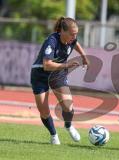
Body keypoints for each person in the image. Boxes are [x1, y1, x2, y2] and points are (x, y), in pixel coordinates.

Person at [30, 17, 89, 145]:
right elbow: (47, 65)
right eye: (72, 34)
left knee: (68, 106)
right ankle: (54, 135)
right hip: (40, 74)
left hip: (57, 74)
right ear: (63, 31)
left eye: (76, 34)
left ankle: (68, 125)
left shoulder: (71, 39)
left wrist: (84, 56)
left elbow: (76, 43)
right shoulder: (52, 41)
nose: (75, 36)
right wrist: (66, 65)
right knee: (44, 111)